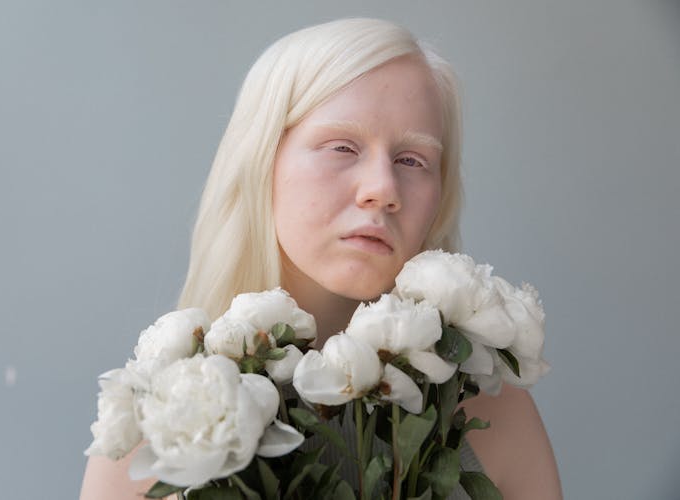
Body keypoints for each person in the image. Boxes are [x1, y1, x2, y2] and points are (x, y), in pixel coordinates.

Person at [81, 18, 562, 499]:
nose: (382, 190)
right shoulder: (152, 429)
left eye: (412, 160)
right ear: (262, 160)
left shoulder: (492, 418)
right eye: (342, 148)